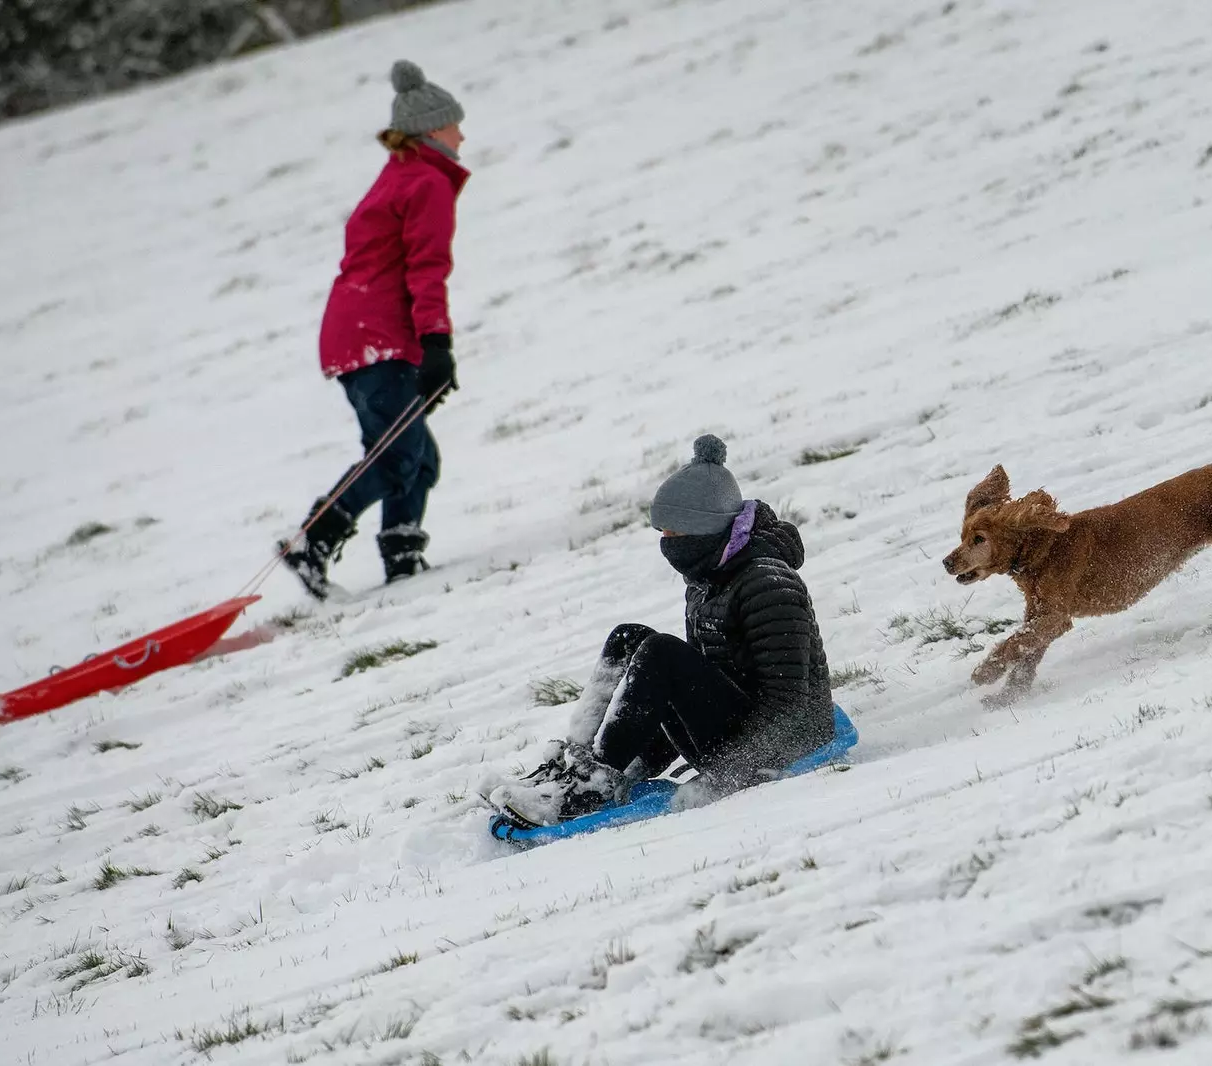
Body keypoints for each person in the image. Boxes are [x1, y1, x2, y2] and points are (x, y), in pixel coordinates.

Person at [487, 435, 837, 827]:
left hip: (779, 743)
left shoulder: (768, 586)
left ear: (703, 528)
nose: (666, 543)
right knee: (629, 638)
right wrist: (641, 760)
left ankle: (592, 787)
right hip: (737, 726)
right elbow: (698, 685)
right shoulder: (710, 573)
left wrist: (736, 775)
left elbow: (788, 708)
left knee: (662, 653)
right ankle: (579, 762)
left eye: (674, 534)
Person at [280, 60, 468, 598]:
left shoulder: (400, 175)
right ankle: (312, 543)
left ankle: (403, 560)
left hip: (357, 332)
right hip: (376, 338)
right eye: (454, 123)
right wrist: (437, 344)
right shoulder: (427, 182)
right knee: (398, 455)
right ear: (432, 130)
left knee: (417, 456)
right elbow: (425, 268)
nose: (462, 134)